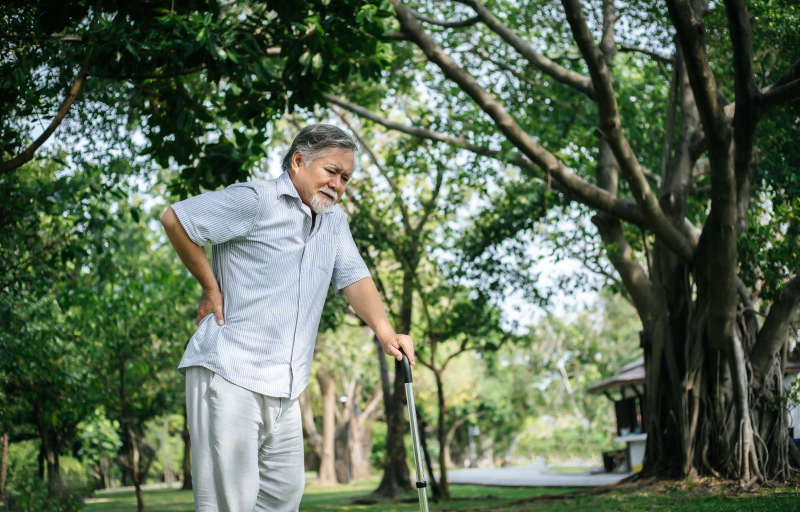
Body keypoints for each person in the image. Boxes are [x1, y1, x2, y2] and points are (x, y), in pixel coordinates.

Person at [160, 124, 416, 512]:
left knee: (283, 498)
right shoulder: (256, 199)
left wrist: (385, 331)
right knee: (233, 503)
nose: (338, 184)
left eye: (345, 177)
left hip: (286, 385)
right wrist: (210, 287)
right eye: (331, 171)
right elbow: (176, 219)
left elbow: (354, 276)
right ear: (298, 161)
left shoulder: (334, 222)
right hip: (230, 371)